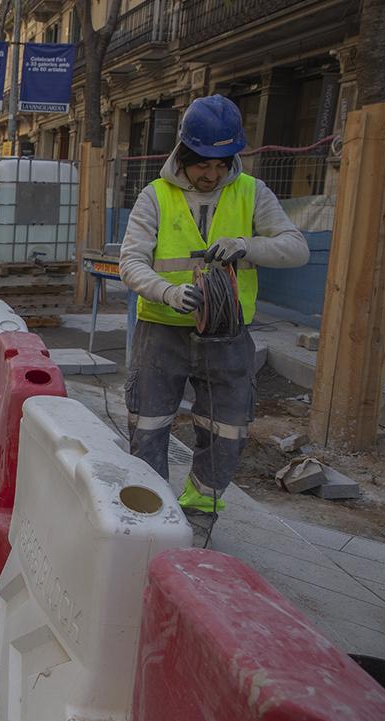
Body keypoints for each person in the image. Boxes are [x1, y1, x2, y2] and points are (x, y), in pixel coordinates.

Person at [119, 94, 307, 542]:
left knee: (226, 430)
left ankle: (200, 512)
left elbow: (296, 248)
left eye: (222, 164)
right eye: (204, 163)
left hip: (227, 336)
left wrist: (249, 245)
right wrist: (167, 291)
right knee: (149, 427)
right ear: (184, 154)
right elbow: (130, 263)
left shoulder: (252, 192)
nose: (213, 173)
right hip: (161, 330)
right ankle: (152, 518)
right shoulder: (155, 197)